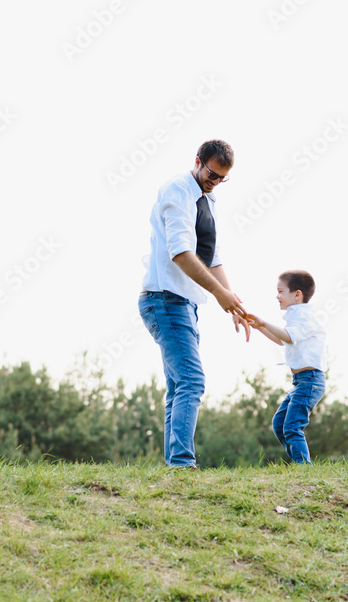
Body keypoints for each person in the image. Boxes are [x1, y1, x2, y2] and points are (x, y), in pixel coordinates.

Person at [138, 139, 250, 469]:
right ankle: (182, 465)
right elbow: (181, 253)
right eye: (212, 174)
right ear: (198, 161)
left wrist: (233, 303)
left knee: (179, 386)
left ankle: (177, 466)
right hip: (165, 298)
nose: (215, 182)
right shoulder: (178, 192)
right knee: (191, 380)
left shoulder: (207, 199)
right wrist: (219, 293)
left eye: (222, 179)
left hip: (185, 302)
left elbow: (211, 258)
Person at [245, 271, 327, 464]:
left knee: (291, 426)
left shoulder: (306, 318)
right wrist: (260, 327)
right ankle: (299, 463)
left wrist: (264, 322)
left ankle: (303, 467)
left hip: (310, 380)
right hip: (301, 382)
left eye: (280, 291)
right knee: (280, 423)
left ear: (297, 294)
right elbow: (282, 340)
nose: (277, 296)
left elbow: (288, 336)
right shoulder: (295, 318)